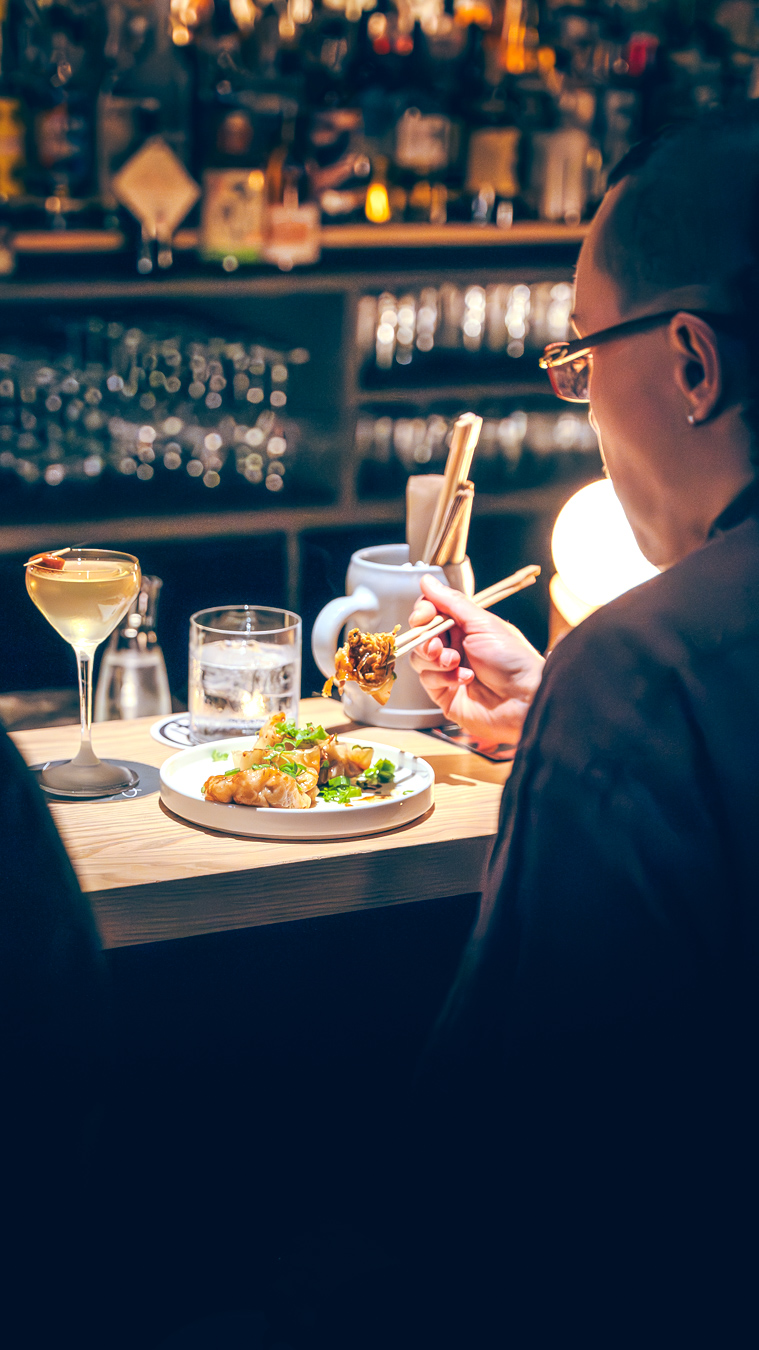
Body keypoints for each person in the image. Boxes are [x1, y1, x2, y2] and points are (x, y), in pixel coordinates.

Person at [402, 111, 759, 1346]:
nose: (583, 402)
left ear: (693, 364)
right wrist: (560, 712)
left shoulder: (646, 673)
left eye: (582, 362)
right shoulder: (622, 684)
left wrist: (593, 713)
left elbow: (516, 1144)